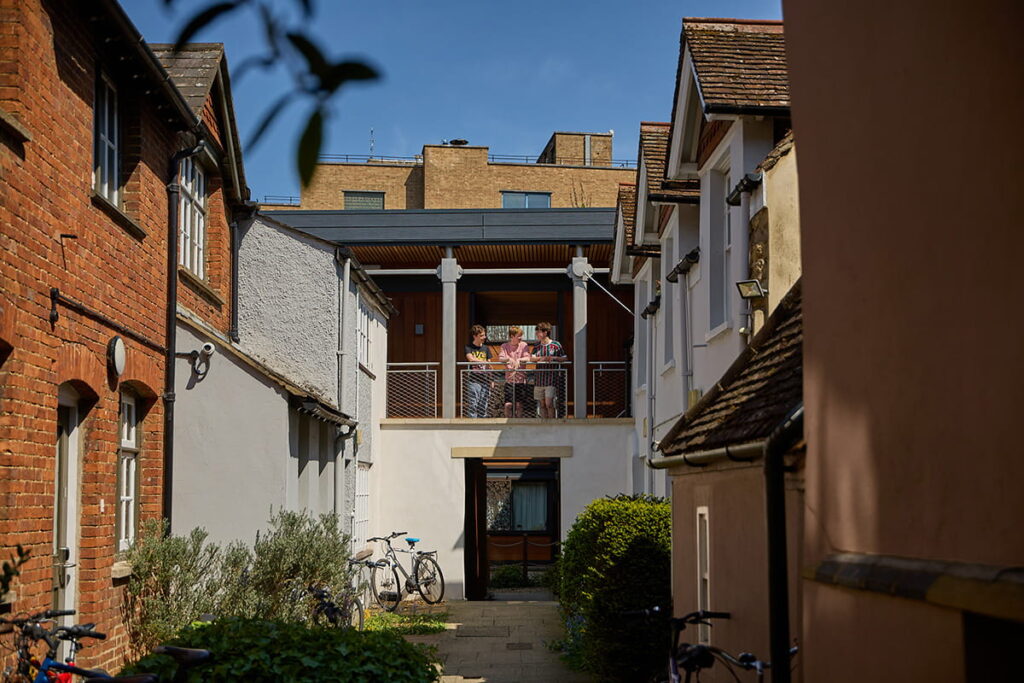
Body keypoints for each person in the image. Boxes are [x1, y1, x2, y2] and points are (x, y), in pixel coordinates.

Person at [530, 322, 568, 418]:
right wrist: (542, 358)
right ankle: (544, 425)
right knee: (542, 404)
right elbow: (532, 358)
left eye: (538, 332)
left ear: (545, 332)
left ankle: (552, 424)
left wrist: (554, 358)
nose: (536, 334)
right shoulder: (537, 346)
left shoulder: (556, 345)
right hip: (539, 380)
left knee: (549, 403)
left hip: (551, 379)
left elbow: (564, 358)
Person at [498, 326, 531, 417]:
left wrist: (519, 360)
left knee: (519, 405)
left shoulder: (524, 345)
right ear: (512, 336)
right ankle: (508, 424)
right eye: (519, 336)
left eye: (521, 335)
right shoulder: (504, 346)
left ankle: (518, 423)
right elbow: (500, 358)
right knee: (508, 405)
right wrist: (509, 359)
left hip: (521, 380)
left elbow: (528, 357)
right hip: (509, 380)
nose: (521, 338)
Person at [464, 325, 491, 418]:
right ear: (475, 336)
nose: (484, 337)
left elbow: (489, 365)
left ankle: (483, 424)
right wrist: (483, 361)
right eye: (482, 336)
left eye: (484, 335)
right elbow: (470, 359)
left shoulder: (486, 349)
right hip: (473, 380)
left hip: (485, 380)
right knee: (473, 404)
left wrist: (491, 380)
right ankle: (473, 424)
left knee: (484, 404)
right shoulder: (469, 347)